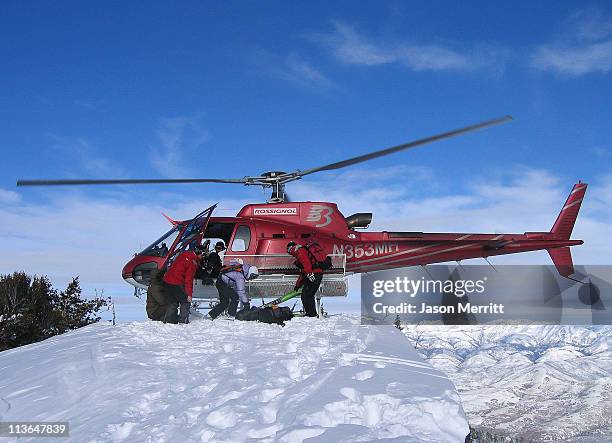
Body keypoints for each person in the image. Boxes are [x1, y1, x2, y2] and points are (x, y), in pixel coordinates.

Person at [162, 243, 206, 324]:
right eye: (203, 255)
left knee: (172, 303)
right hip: (177, 282)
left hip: (167, 282)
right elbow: (188, 280)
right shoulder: (192, 262)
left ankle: (169, 321)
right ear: (198, 253)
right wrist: (189, 295)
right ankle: (183, 322)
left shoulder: (183, 255)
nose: (203, 257)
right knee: (185, 302)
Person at [287, 241, 323, 317]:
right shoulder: (302, 251)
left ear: (290, 249)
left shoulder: (299, 251)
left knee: (306, 295)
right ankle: (311, 314)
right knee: (308, 295)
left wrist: (309, 274)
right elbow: (303, 272)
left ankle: (311, 314)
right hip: (316, 273)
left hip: (314, 274)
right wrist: (298, 284)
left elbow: (306, 262)